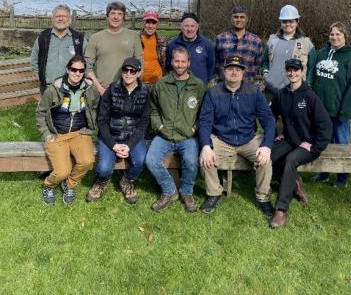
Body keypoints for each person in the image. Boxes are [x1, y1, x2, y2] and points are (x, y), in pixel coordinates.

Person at [199, 54, 276, 216]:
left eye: (238, 69)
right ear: (224, 71)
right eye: (230, 69)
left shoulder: (253, 92)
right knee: (205, 158)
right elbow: (205, 122)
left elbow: (269, 120)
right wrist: (206, 145)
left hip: (248, 139)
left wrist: (267, 146)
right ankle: (214, 193)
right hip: (222, 139)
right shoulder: (213, 93)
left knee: (265, 159)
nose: (234, 72)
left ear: (243, 73)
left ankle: (263, 198)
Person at [269, 58, 332, 229]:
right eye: (289, 70)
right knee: (270, 156)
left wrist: (314, 145)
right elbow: (269, 116)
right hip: (290, 139)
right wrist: (276, 134)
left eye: (296, 70)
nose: (292, 73)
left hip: (308, 145)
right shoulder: (281, 94)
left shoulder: (310, 96)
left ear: (302, 71)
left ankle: (281, 209)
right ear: (286, 71)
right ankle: (294, 185)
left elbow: (325, 126)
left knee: (290, 160)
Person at [146, 46, 206, 213]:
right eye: (177, 61)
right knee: (150, 160)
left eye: (183, 61)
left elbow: (204, 113)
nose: (179, 65)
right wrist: (159, 126)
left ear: (189, 63)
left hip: (187, 136)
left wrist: (195, 128)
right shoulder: (161, 84)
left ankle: (187, 192)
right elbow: (153, 109)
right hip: (165, 134)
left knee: (192, 162)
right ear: (172, 62)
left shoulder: (198, 86)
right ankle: (169, 190)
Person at [35, 56, 99, 205]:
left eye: (81, 70)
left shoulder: (90, 89)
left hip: (79, 132)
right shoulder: (54, 89)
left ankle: (69, 184)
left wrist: (90, 127)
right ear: (67, 70)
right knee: (62, 171)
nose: (77, 73)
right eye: (74, 69)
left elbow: (95, 108)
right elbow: (40, 112)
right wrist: (46, 133)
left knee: (87, 161)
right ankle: (49, 185)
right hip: (57, 134)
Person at [86, 57, 150, 204]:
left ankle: (127, 180)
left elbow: (144, 121)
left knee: (140, 161)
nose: (128, 73)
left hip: (132, 136)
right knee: (104, 169)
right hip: (111, 135)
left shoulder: (146, 92)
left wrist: (129, 145)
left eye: (132, 70)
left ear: (138, 73)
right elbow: (101, 120)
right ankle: (101, 182)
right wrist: (114, 145)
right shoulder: (111, 90)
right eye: (125, 70)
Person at [312, 22, 351, 187]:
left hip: (339, 111)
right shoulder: (321, 53)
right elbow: (313, 79)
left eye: (338, 34)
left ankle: (342, 177)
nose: (334, 37)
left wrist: (345, 112)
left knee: (341, 144)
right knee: (323, 142)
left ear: (345, 37)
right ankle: (324, 173)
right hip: (321, 110)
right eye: (332, 34)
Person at [85, 1, 142, 96]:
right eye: (113, 13)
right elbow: (88, 67)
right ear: (107, 16)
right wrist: (99, 88)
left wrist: (132, 87)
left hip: (127, 91)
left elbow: (140, 64)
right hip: (102, 90)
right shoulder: (95, 38)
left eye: (120, 14)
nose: (116, 17)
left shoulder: (134, 36)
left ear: (123, 17)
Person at [263, 4, 316, 99]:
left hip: (295, 92)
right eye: (284, 21)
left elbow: (312, 68)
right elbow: (265, 60)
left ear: (297, 22)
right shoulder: (272, 40)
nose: (287, 24)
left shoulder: (306, 43)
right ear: (280, 22)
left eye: (291, 21)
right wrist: (266, 74)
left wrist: (307, 86)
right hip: (271, 90)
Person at [31, 4, 87, 93]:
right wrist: (42, 78)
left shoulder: (79, 38)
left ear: (70, 19)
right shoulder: (43, 37)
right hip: (48, 88)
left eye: (64, 16)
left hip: (73, 88)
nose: (60, 19)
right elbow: (34, 61)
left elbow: (87, 62)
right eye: (57, 16)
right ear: (52, 19)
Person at [214, 6, 263, 83]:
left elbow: (259, 65)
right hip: (224, 86)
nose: (239, 20)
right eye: (236, 17)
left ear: (247, 20)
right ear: (231, 19)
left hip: (248, 87)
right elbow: (215, 63)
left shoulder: (256, 41)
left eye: (242, 17)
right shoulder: (221, 38)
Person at [166, 12, 215, 84]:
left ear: (197, 27)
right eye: (186, 26)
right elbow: (168, 67)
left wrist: (205, 82)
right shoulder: (172, 44)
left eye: (192, 26)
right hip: (177, 88)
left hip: (200, 89)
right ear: (181, 27)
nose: (189, 29)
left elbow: (211, 67)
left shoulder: (207, 44)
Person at [139, 10, 167, 86]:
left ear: (157, 25)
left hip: (158, 82)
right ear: (143, 23)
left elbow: (165, 62)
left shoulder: (161, 41)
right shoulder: (135, 40)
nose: (150, 26)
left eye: (153, 23)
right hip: (139, 83)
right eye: (148, 22)